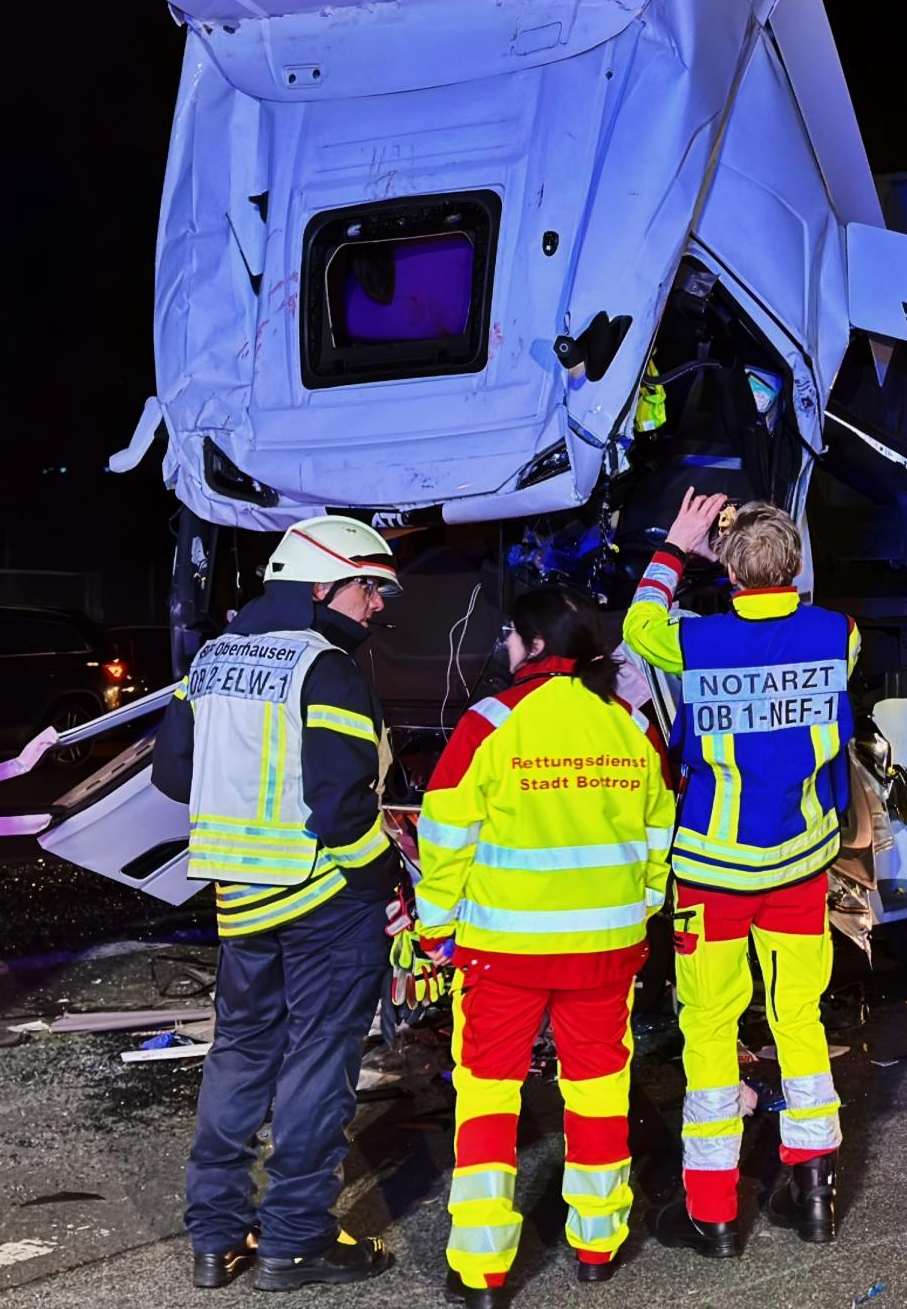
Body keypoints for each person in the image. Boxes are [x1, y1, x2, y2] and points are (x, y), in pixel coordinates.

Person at [150, 515, 405, 1291]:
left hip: (243, 899)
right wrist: (387, 876)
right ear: (322, 583)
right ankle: (294, 1242)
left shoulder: (214, 660)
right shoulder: (325, 668)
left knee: (240, 1056)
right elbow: (340, 806)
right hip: (325, 899)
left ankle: (216, 1240)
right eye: (371, 588)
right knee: (318, 1066)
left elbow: (171, 774)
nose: (379, 606)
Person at [411, 587, 675, 1301]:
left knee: (489, 1097)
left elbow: (443, 835)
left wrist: (434, 929)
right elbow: (660, 834)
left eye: (509, 638)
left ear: (529, 642)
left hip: (505, 955)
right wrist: (639, 908)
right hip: (604, 951)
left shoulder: (490, 721)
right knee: (598, 1091)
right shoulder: (628, 724)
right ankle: (597, 1242)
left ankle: (483, 1269)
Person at [624, 489, 858, 1258]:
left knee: (712, 1031)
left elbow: (636, 626)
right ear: (795, 567)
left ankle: (715, 1211)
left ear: (726, 572)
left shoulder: (696, 643)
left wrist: (677, 544)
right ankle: (815, 1187)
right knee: (799, 1021)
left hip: (713, 874)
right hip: (799, 867)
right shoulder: (839, 637)